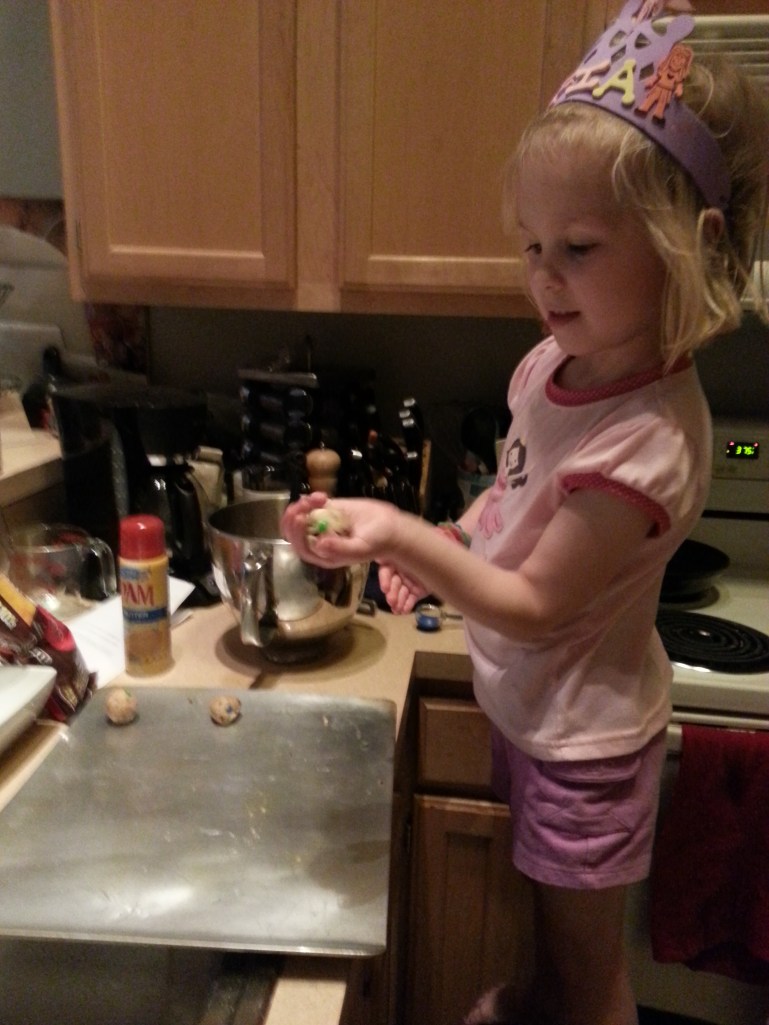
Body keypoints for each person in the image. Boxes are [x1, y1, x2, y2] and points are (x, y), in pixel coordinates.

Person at [281, 2, 769, 1022]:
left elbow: (539, 603)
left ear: (689, 246)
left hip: (584, 747)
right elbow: (513, 494)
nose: (544, 274)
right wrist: (451, 537)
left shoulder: (648, 437)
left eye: (580, 246)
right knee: (546, 961)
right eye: (533, 242)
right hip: (530, 713)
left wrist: (399, 532)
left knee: (588, 979)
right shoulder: (557, 362)